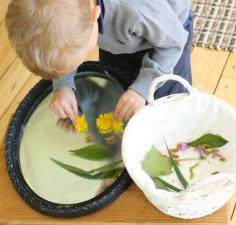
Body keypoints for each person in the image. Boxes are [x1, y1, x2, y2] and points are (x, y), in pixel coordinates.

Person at [5, 0, 193, 124]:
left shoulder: (135, 9)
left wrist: (141, 89)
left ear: (94, 15)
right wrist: (63, 85)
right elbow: (60, 43)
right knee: (118, 91)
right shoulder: (78, 13)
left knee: (167, 104)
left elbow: (174, 42)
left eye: (76, 61)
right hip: (120, 38)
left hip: (169, 35)